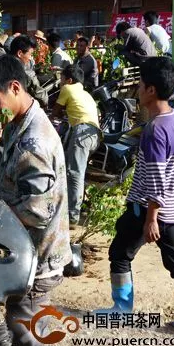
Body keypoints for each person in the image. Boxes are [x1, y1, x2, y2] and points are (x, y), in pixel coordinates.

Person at [0, 52, 72, 346]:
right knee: (19, 329)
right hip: (27, 252)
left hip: (37, 260)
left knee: (32, 344)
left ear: (14, 87)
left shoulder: (33, 141)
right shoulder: (19, 125)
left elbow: (37, 211)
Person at [106, 57, 174, 338]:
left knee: (120, 254)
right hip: (173, 209)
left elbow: (157, 178)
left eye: (139, 85)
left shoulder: (154, 130)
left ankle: (122, 310)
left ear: (150, 90)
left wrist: (151, 217)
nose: (137, 90)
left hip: (148, 210)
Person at [52, 65, 100, 227]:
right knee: (75, 170)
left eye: (61, 79)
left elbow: (55, 113)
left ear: (69, 80)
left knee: (74, 173)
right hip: (94, 134)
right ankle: (71, 206)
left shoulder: (67, 89)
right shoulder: (86, 94)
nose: (60, 82)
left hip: (81, 131)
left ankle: (73, 215)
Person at [9, 35, 48, 107]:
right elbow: (43, 99)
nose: (30, 58)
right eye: (30, 54)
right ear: (20, 53)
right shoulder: (26, 74)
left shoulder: (1, 65)